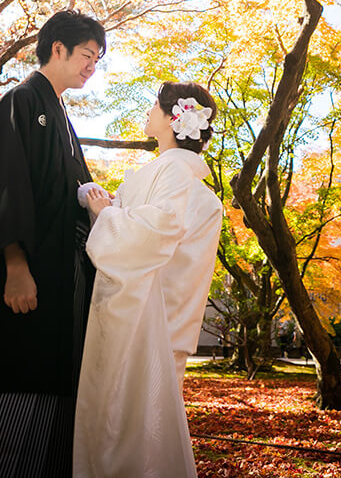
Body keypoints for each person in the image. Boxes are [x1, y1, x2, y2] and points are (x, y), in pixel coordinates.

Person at [0, 10, 105, 478]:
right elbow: (2, 186)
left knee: (56, 396)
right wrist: (15, 265)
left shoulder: (58, 112)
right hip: (27, 281)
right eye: (87, 55)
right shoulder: (21, 100)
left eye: (97, 59)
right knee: (12, 393)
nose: (91, 67)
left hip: (60, 286)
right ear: (58, 48)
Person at [74, 82, 223, 478]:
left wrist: (104, 214)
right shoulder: (181, 175)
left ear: (174, 118)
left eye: (153, 106)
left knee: (123, 430)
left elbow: (157, 230)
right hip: (156, 316)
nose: (147, 113)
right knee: (144, 429)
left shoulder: (173, 168)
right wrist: (106, 210)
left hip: (142, 320)